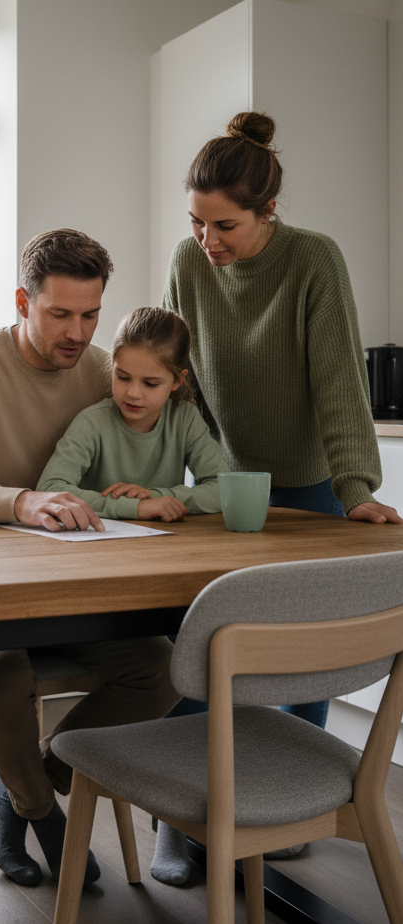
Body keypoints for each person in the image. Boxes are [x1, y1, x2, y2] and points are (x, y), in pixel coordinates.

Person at [152, 110, 403, 884]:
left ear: (267, 212)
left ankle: (284, 817)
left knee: (302, 668)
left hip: (310, 487)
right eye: (195, 221)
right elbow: (180, 386)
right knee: (206, 654)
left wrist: (356, 487)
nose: (206, 240)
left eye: (223, 224)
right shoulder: (188, 265)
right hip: (223, 488)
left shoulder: (311, 261)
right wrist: (187, 483)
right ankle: (173, 814)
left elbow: (336, 380)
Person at [0, 228, 180, 887]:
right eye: (60, 314)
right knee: (0, 682)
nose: (77, 333)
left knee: (163, 670)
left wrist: (142, 487)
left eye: (90, 315)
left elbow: (136, 456)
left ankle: (28, 782)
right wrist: (18, 501)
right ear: (24, 301)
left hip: (69, 590)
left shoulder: (100, 371)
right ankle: (41, 813)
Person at [37, 305, 230, 519]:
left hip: (165, 544)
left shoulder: (185, 419)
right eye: (123, 377)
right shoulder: (92, 422)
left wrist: (158, 496)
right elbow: (49, 489)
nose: (133, 393)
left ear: (177, 380)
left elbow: (225, 488)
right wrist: (135, 508)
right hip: (95, 543)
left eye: (150, 383)